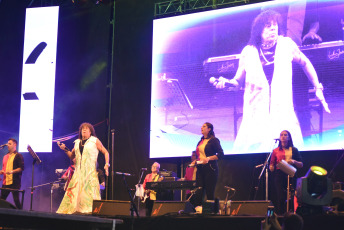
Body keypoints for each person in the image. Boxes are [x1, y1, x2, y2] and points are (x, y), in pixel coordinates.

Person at [214, 10, 330, 154]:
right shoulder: (248, 52)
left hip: (283, 115)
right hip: (255, 118)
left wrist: (317, 87)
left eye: (275, 25)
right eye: (268, 26)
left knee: (287, 157)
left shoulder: (286, 45)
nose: (273, 28)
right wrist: (227, 83)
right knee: (254, 160)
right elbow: (237, 81)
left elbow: (305, 63)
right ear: (259, 30)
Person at [56, 122, 110, 214]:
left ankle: (90, 213)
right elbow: (72, 156)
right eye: (82, 128)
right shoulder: (77, 143)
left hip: (90, 173)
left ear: (90, 132)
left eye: (87, 128)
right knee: (74, 195)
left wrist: (106, 165)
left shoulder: (94, 140)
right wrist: (65, 149)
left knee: (89, 195)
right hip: (78, 174)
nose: (84, 130)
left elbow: (106, 152)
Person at [270, 130, 303, 215]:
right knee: (281, 197)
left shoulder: (294, 150)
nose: (283, 136)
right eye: (281, 135)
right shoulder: (275, 150)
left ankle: (291, 215)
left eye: (285, 135)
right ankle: (281, 216)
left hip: (291, 175)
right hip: (279, 175)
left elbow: (301, 164)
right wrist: (271, 167)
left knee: (291, 197)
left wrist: (294, 161)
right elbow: (272, 164)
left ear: (289, 137)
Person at [192, 122, 224, 207]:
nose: (201, 127)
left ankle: (211, 212)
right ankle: (198, 211)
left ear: (209, 129)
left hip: (210, 169)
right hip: (200, 168)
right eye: (201, 126)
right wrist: (195, 161)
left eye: (204, 126)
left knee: (209, 192)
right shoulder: (201, 141)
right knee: (199, 191)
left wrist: (209, 158)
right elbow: (199, 155)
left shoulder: (213, 140)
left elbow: (221, 154)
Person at [0, 138, 24, 209]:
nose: (8, 145)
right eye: (7, 144)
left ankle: (22, 215)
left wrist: (12, 171)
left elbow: (21, 168)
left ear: (15, 145)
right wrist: (1, 171)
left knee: (16, 200)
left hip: (14, 182)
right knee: (1, 200)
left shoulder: (18, 155)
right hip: (5, 181)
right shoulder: (5, 156)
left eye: (10, 144)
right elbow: (4, 168)